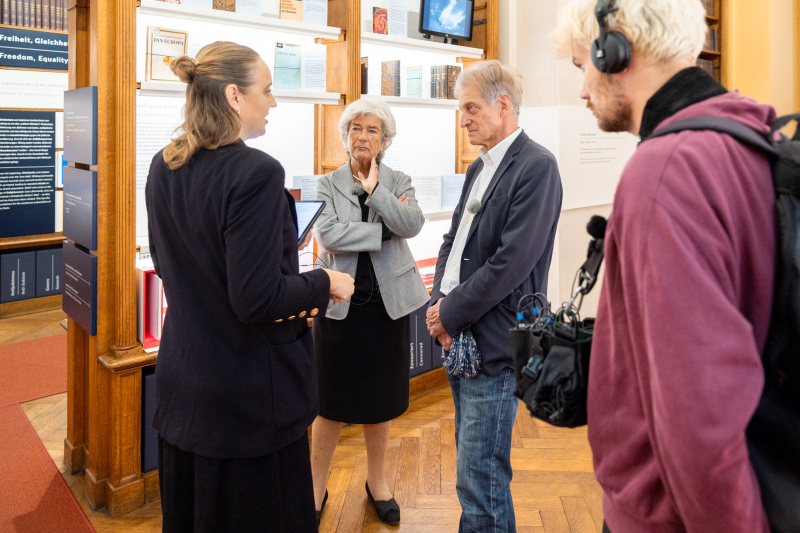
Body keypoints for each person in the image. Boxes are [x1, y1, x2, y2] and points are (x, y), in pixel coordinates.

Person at [551, 1, 775, 531]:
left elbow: (698, 420)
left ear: (617, 49)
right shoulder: (751, 138)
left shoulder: (666, 169)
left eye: (582, 65)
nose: (582, 90)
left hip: (663, 515)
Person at [145, 41, 354, 532]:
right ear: (235, 96)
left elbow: (170, 265)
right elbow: (257, 298)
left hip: (184, 386)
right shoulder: (257, 173)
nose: (274, 102)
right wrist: (324, 282)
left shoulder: (164, 164)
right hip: (247, 403)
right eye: (268, 90)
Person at [426, 60, 563, 532]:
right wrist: (437, 301)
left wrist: (449, 313)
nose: (462, 119)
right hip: (460, 334)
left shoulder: (537, 167)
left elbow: (511, 263)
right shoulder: (477, 169)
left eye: (469, 108)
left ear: (502, 105)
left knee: (479, 480)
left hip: (495, 340)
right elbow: (453, 241)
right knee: (475, 474)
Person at [310, 98, 430, 526]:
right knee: (328, 403)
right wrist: (384, 229)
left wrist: (376, 192)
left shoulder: (399, 179)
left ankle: (378, 484)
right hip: (339, 309)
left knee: (381, 403)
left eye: (372, 130)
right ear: (345, 136)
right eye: (355, 128)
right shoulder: (327, 184)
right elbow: (327, 233)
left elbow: (413, 224)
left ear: (385, 140)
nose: (362, 136)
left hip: (388, 310)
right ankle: (315, 487)